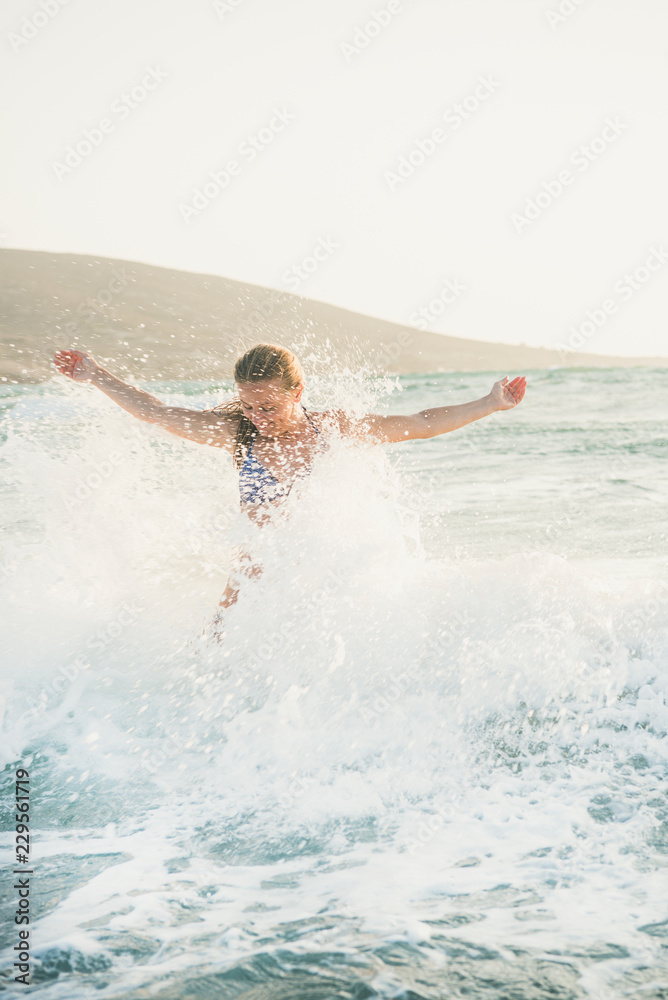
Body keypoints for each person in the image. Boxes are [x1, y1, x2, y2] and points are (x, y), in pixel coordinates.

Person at [52, 343, 527, 626]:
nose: (257, 418)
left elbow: (419, 423)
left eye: (269, 407)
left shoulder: (332, 430)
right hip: (253, 576)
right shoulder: (236, 432)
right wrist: (95, 375)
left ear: (297, 394)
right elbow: (156, 411)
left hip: (325, 579)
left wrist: (489, 403)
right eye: (250, 406)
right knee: (214, 656)